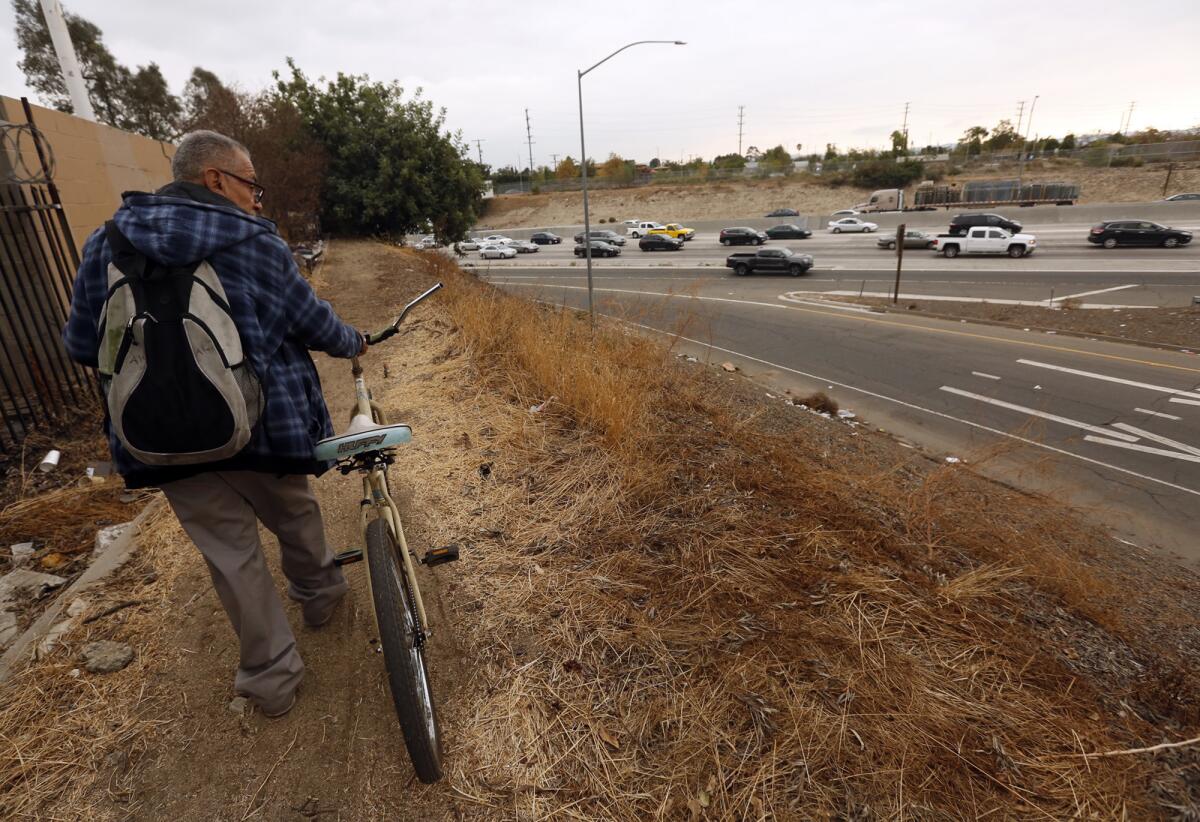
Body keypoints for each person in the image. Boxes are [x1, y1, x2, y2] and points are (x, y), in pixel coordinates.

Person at [63, 130, 366, 717]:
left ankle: (272, 682)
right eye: (252, 183)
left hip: (159, 436)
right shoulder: (255, 242)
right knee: (295, 513)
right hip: (262, 428)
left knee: (230, 557)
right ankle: (321, 598)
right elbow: (312, 322)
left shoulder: (106, 241)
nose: (257, 197)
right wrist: (351, 340)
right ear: (216, 180)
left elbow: (81, 343)